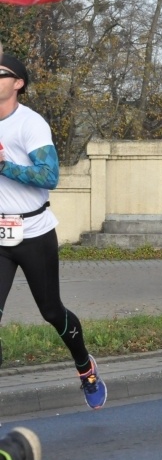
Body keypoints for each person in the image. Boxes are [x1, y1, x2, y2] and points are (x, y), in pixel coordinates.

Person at [0, 53, 107, 409]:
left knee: (50, 311)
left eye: (1, 74)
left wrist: (5, 165)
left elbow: (50, 176)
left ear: (18, 83)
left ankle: (84, 367)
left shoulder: (31, 125)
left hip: (33, 231)